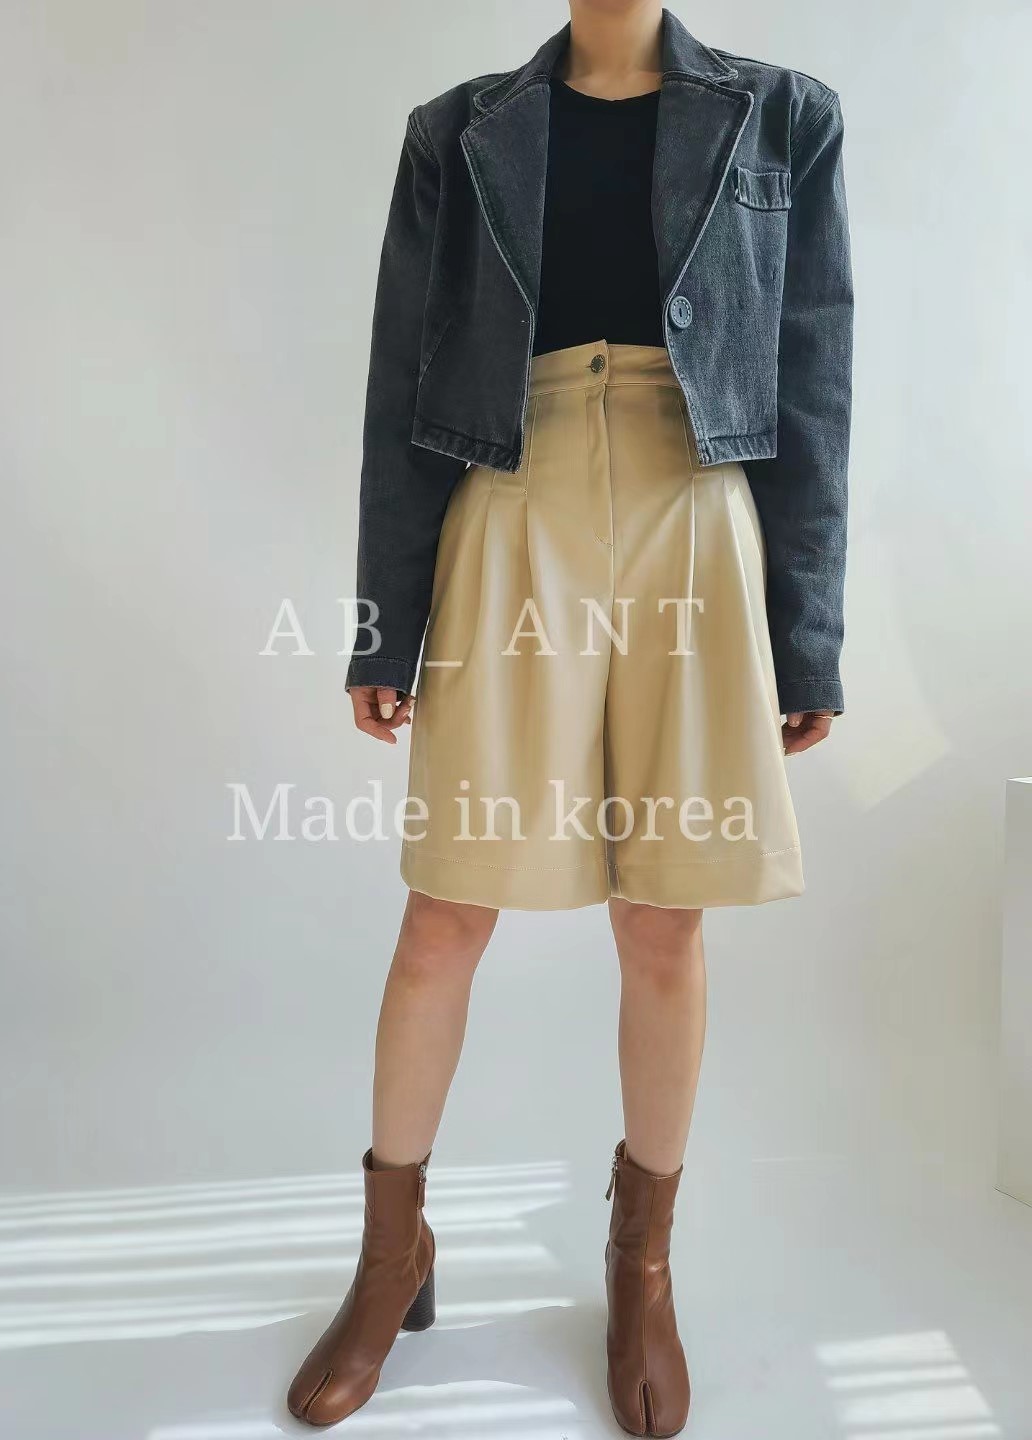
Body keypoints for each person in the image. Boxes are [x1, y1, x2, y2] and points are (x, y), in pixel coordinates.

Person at [288, 1, 852, 1434]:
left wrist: (807, 636)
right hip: (511, 492)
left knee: (664, 918)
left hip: (696, 505)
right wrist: (386, 618)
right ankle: (391, 1256)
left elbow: (812, 376)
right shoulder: (459, 131)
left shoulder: (784, 115)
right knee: (446, 908)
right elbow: (402, 381)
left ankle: (640, 1265)